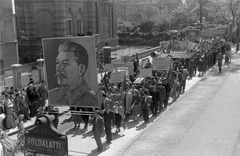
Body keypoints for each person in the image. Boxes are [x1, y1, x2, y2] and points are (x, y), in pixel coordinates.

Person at [49, 41, 97, 106]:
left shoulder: (92, 101)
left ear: (81, 69)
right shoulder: (52, 96)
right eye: (57, 63)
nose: (58, 68)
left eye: (65, 64)